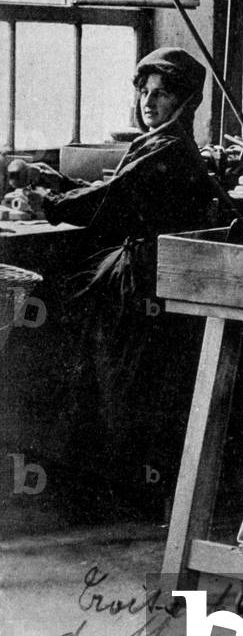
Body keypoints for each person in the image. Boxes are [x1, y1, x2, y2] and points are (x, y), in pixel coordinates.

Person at [25, 47, 221, 518]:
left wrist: (49, 205)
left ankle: (126, 495)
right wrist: (56, 184)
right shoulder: (156, 142)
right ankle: (111, 487)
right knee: (110, 375)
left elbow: (113, 199)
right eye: (144, 93)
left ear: (188, 102)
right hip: (137, 269)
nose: (148, 103)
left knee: (123, 382)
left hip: (145, 279)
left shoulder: (169, 149)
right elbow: (116, 191)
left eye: (162, 95)